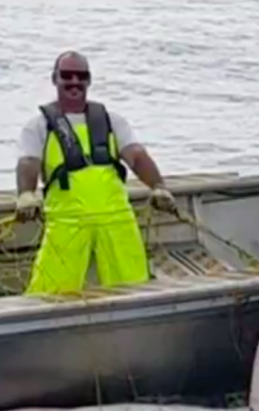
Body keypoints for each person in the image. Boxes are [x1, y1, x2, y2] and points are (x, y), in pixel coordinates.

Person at [14, 50, 176, 295]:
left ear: (89, 80)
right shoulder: (38, 126)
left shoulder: (112, 120)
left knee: (135, 288)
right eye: (67, 75)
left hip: (116, 218)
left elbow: (136, 155)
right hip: (67, 223)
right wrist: (26, 193)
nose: (74, 82)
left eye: (81, 76)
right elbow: (28, 162)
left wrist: (159, 186)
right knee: (50, 294)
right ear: (54, 78)